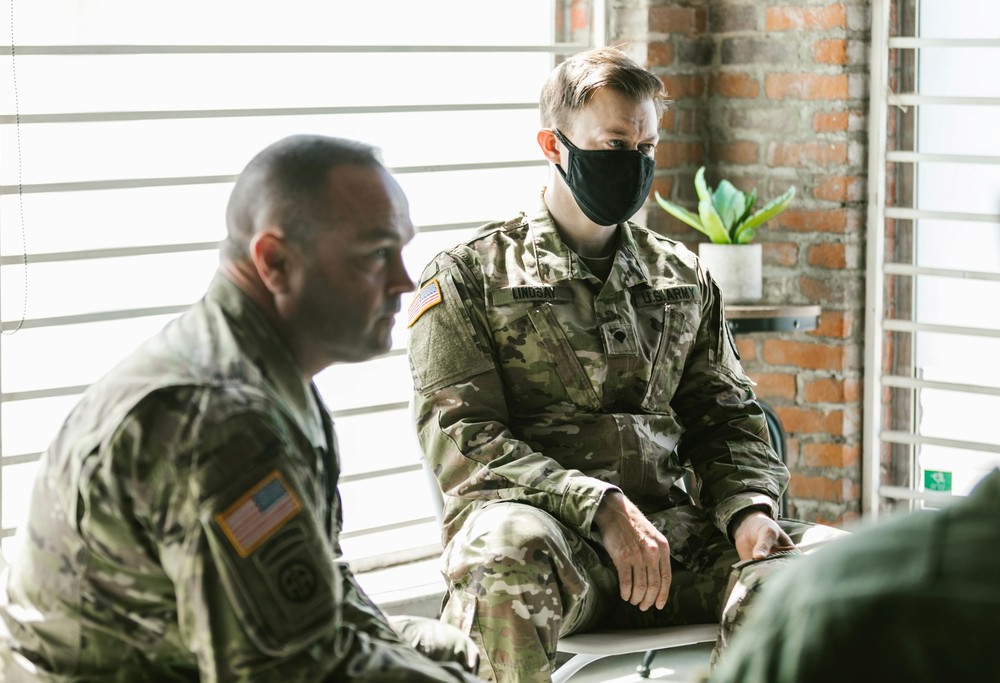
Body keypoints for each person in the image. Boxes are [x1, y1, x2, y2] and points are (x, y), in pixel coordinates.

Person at [406, 46, 843, 683]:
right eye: (614, 145)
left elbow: (727, 419)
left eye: (647, 148)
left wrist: (749, 511)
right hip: (551, 541)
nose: (634, 164)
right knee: (499, 554)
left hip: (675, 541)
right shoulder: (469, 276)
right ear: (554, 145)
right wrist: (601, 507)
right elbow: (468, 444)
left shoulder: (682, 275)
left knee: (839, 568)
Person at [0, 134, 483, 682]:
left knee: (441, 651)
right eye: (374, 255)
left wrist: (416, 654)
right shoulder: (219, 423)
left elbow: (317, 588)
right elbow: (288, 672)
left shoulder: (269, 369)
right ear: (274, 260)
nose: (403, 281)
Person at [709, 467, 1000, 682]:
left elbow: (727, 422)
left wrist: (747, 511)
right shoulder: (841, 596)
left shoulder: (836, 593)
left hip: (719, 521)